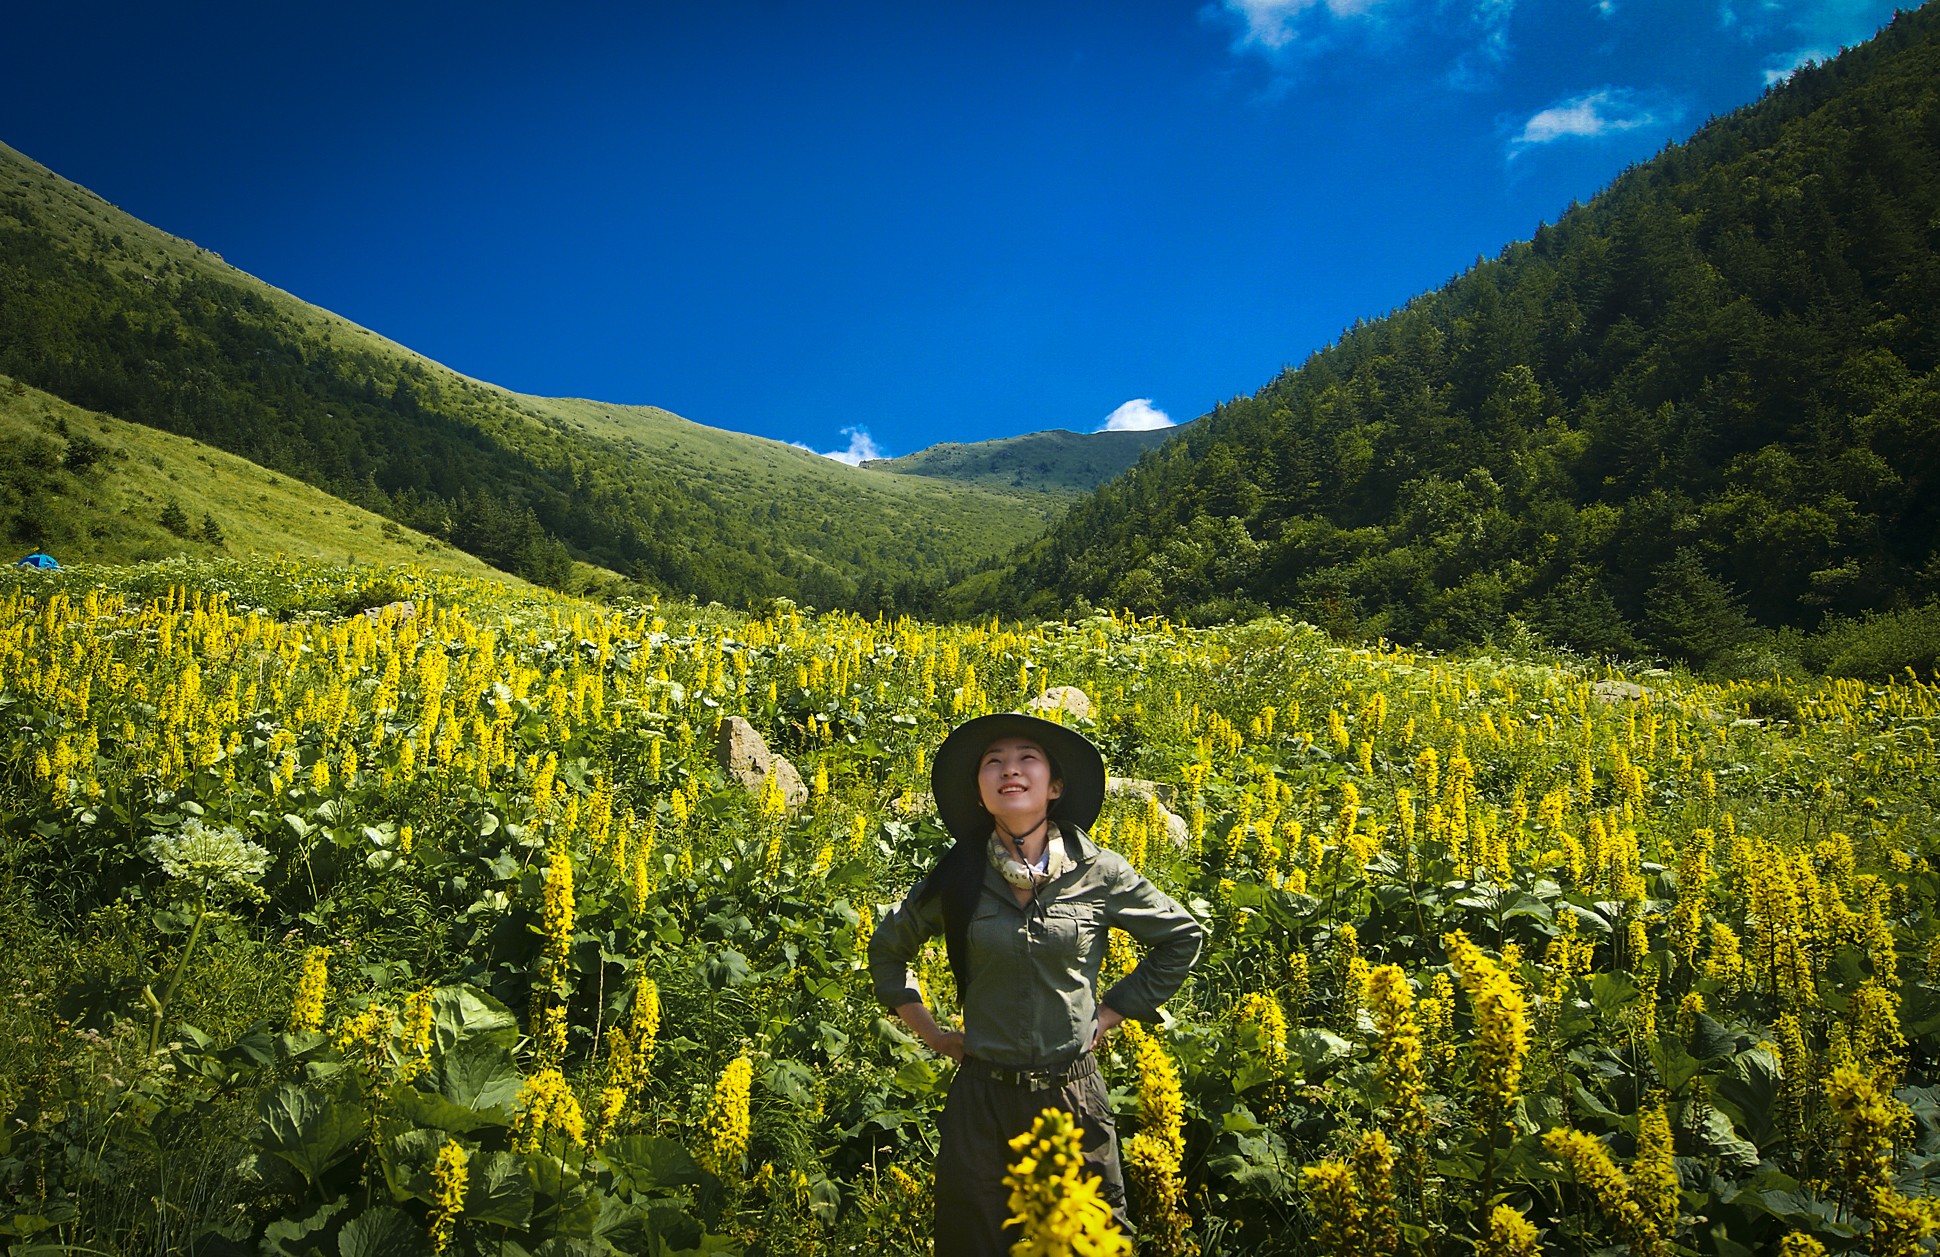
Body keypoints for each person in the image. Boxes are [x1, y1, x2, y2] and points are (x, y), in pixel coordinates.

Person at [869, 712, 1203, 1255]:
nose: (1010, 771)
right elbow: (887, 951)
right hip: (983, 1099)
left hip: (1073, 1095)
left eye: (1028, 758)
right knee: (972, 1242)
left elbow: (1181, 937)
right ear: (979, 794)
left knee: (1093, 1242)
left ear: (1056, 787)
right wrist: (931, 1033)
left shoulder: (1102, 872)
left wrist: (1111, 1012)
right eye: (992, 762)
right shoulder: (957, 874)